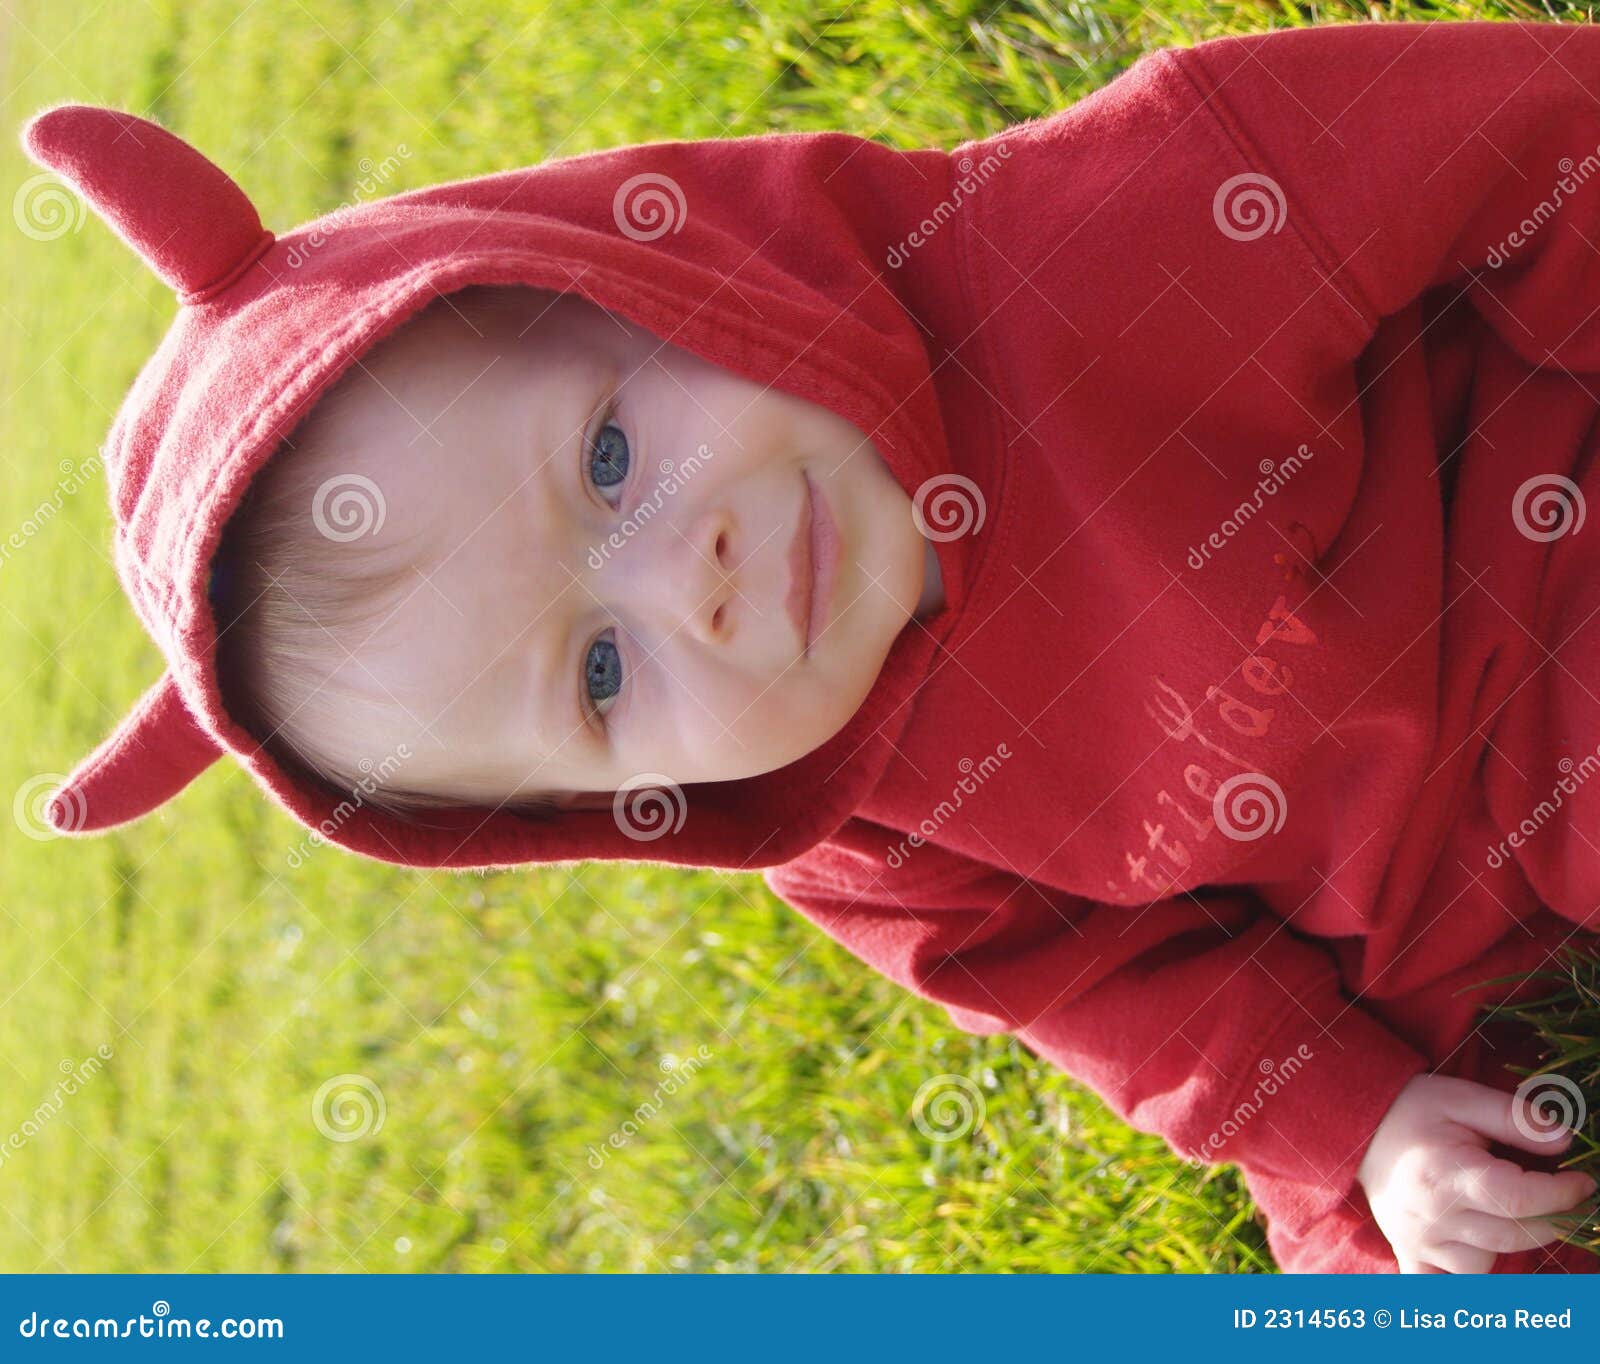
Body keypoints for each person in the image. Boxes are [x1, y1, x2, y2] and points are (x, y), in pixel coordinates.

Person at [25, 18, 1600, 1273]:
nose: (688, 585)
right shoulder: (845, 820)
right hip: (1410, 944)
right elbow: (1115, 988)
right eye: (598, 675)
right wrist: (1363, 1122)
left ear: (650, 276)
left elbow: (1522, 138)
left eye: (609, 464)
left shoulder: (1092, 244)